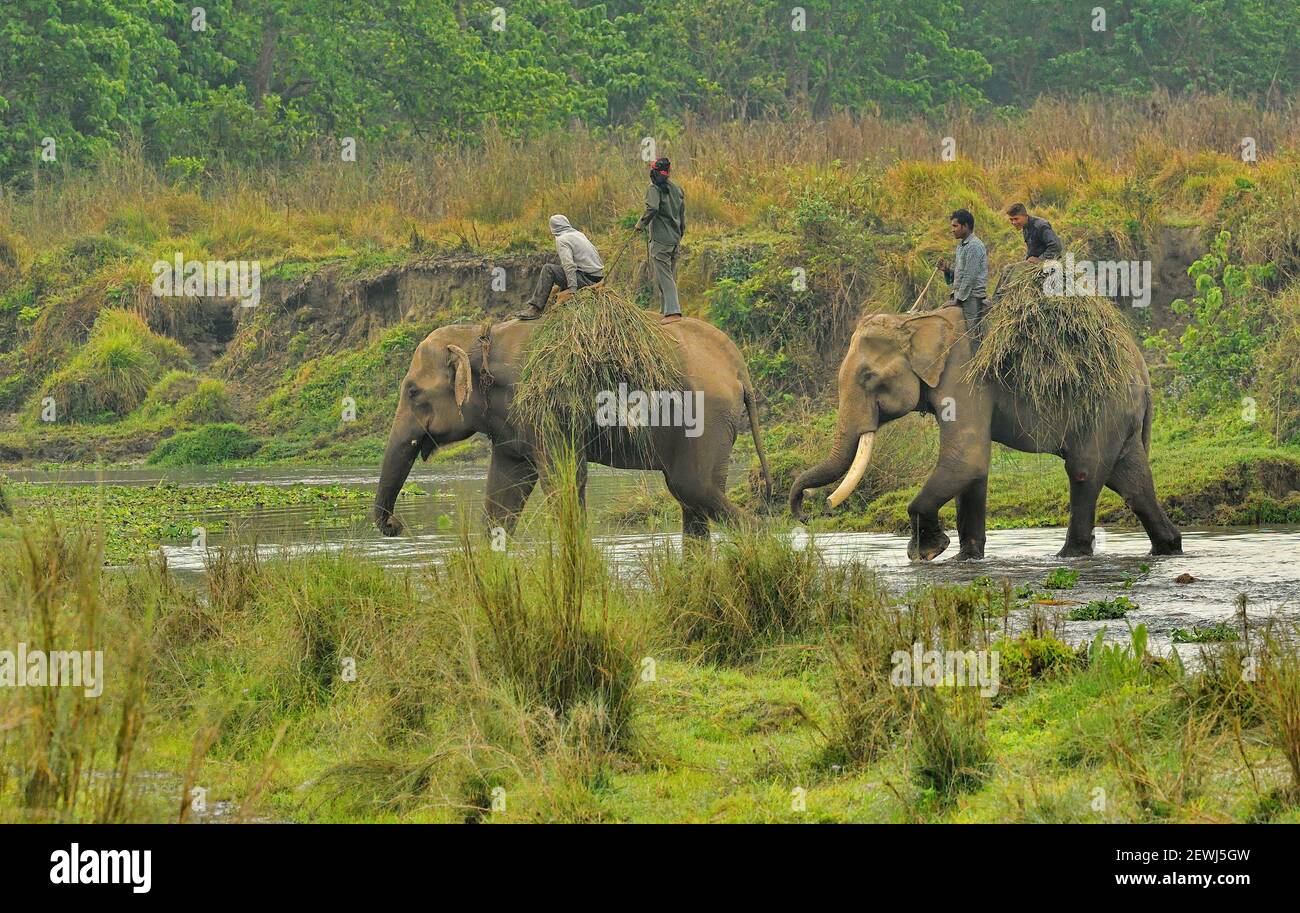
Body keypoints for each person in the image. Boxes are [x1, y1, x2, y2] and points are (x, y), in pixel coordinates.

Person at [517, 214, 604, 320]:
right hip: (597, 277)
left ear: (552, 228)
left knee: (548, 269)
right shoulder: (579, 234)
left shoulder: (562, 239)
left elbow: (569, 266)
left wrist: (572, 289)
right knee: (560, 272)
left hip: (587, 280)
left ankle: (536, 309)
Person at [635, 157, 686, 323]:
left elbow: (653, 207)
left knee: (664, 277)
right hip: (674, 239)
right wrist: (679, 234)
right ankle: (665, 310)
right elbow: (681, 215)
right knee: (667, 275)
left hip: (661, 241)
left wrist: (640, 224)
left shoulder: (654, 189)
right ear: (668, 172)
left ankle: (673, 312)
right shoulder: (677, 189)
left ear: (653, 172)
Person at [937, 208, 988, 335]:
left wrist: (957, 300)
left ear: (965, 226)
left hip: (971, 297)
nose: (952, 229)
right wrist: (947, 271)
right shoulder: (961, 246)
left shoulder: (974, 246)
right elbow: (962, 274)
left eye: (955, 226)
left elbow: (970, 277)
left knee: (972, 334)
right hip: (961, 295)